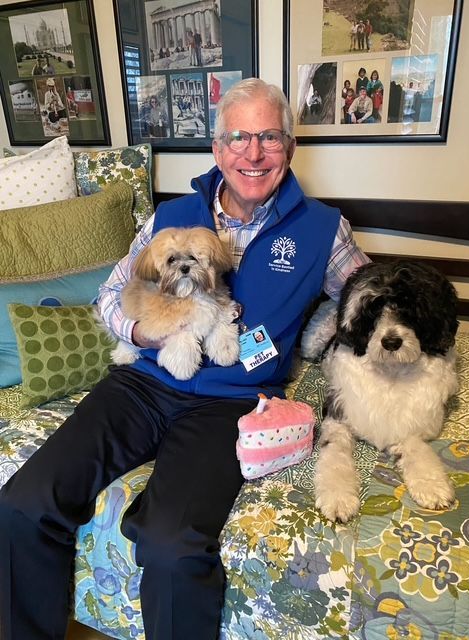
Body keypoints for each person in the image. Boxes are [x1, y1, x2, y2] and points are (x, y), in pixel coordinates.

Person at [0, 78, 369, 640]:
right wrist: (143, 334)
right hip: (141, 386)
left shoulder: (323, 230)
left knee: (172, 545)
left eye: (269, 137)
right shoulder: (170, 216)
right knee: (22, 503)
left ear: (290, 148)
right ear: (217, 149)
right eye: (238, 138)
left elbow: (371, 298)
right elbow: (108, 297)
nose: (252, 152)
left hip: (231, 405)